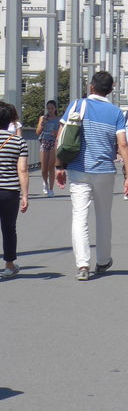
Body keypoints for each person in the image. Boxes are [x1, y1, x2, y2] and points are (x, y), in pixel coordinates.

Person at [54, 71, 128, 281]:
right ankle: (102, 260)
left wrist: (58, 166)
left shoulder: (75, 106)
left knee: (79, 217)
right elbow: (123, 145)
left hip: (78, 169)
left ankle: (82, 265)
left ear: (91, 87)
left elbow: (61, 137)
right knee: (103, 217)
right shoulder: (116, 113)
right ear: (111, 90)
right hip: (105, 171)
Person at [0, 102, 30, 279]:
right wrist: (25, 195)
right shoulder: (18, 141)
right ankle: (9, 265)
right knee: (9, 228)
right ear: (10, 121)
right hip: (10, 191)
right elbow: (23, 170)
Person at [36, 99, 62, 197]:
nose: (50, 110)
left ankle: (51, 189)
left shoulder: (58, 120)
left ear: (55, 109)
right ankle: (45, 183)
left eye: (52, 108)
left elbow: (61, 133)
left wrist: (56, 134)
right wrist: (42, 123)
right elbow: (37, 132)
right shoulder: (43, 118)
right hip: (44, 141)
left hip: (53, 142)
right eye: (48, 108)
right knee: (44, 167)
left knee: (51, 165)